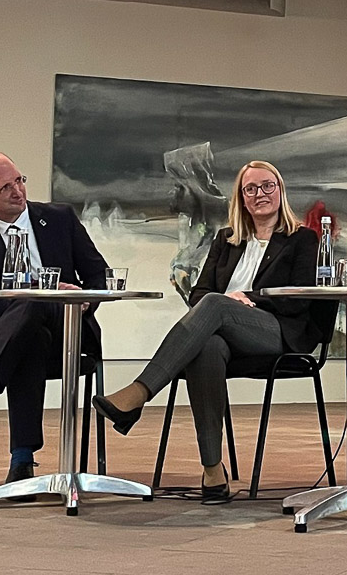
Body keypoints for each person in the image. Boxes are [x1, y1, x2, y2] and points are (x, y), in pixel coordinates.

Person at [93, 161, 320, 500]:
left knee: (216, 304)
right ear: (241, 199)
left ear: (280, 190)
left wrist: (247, 299)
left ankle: (140, 393)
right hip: (227, 333)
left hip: (278, 332)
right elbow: (198, 294)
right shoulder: (226, 239)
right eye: (251, 189)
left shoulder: (302, 239)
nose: (260, 194)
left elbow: (299, 296)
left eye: (267, 186)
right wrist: (227, 303)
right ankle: (213, 470)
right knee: (208, 347)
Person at [0, 152, 108, 496]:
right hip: (8, 335)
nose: (18, 191)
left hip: (67, 328)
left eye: (20, 181)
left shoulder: (58, 218)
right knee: (29, 328)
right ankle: (21, 461)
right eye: (5, 187)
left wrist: (87, 299)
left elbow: (96, 271)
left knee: (32, 305)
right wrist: (36, 292)